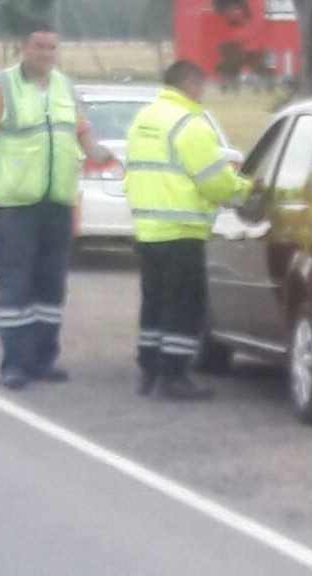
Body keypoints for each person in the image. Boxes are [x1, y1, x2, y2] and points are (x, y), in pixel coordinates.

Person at [0, 22, 112, 389]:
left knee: (51, 285)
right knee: (16, 285)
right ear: (24, 49)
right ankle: (15, 363)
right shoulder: (2, 86)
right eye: (39, 47)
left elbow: (80, 129)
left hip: (57, 203)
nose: (46, 54)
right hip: (17, 205)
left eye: (52, 48)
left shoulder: (64, 86)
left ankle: (43, 359)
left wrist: (96, 152)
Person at [124, 60, 255, 400]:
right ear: (190, 85)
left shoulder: (144, 119)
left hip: (148, 229)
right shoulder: (189, 123)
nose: (203, 93)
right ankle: (174, 375)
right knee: (184, 304)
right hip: (181, 229)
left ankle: (149, 370)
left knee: (154, 303)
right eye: (201, 86)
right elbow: (214, 181)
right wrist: (245, 190)